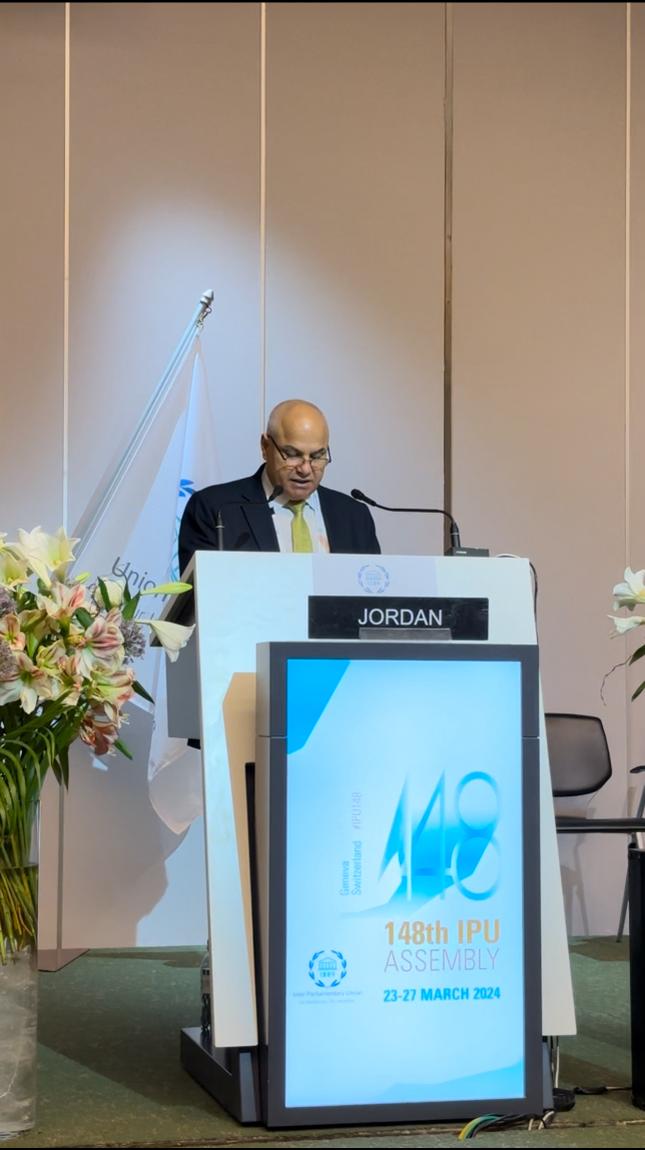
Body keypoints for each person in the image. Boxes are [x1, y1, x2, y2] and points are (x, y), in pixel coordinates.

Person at [178, 399, 380, 573]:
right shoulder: (216, 509)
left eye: (317, 456)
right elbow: (201, 595)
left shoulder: (354, 516)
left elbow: (371, 597)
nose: (305, 469)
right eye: (292, 454)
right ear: (265, 447)